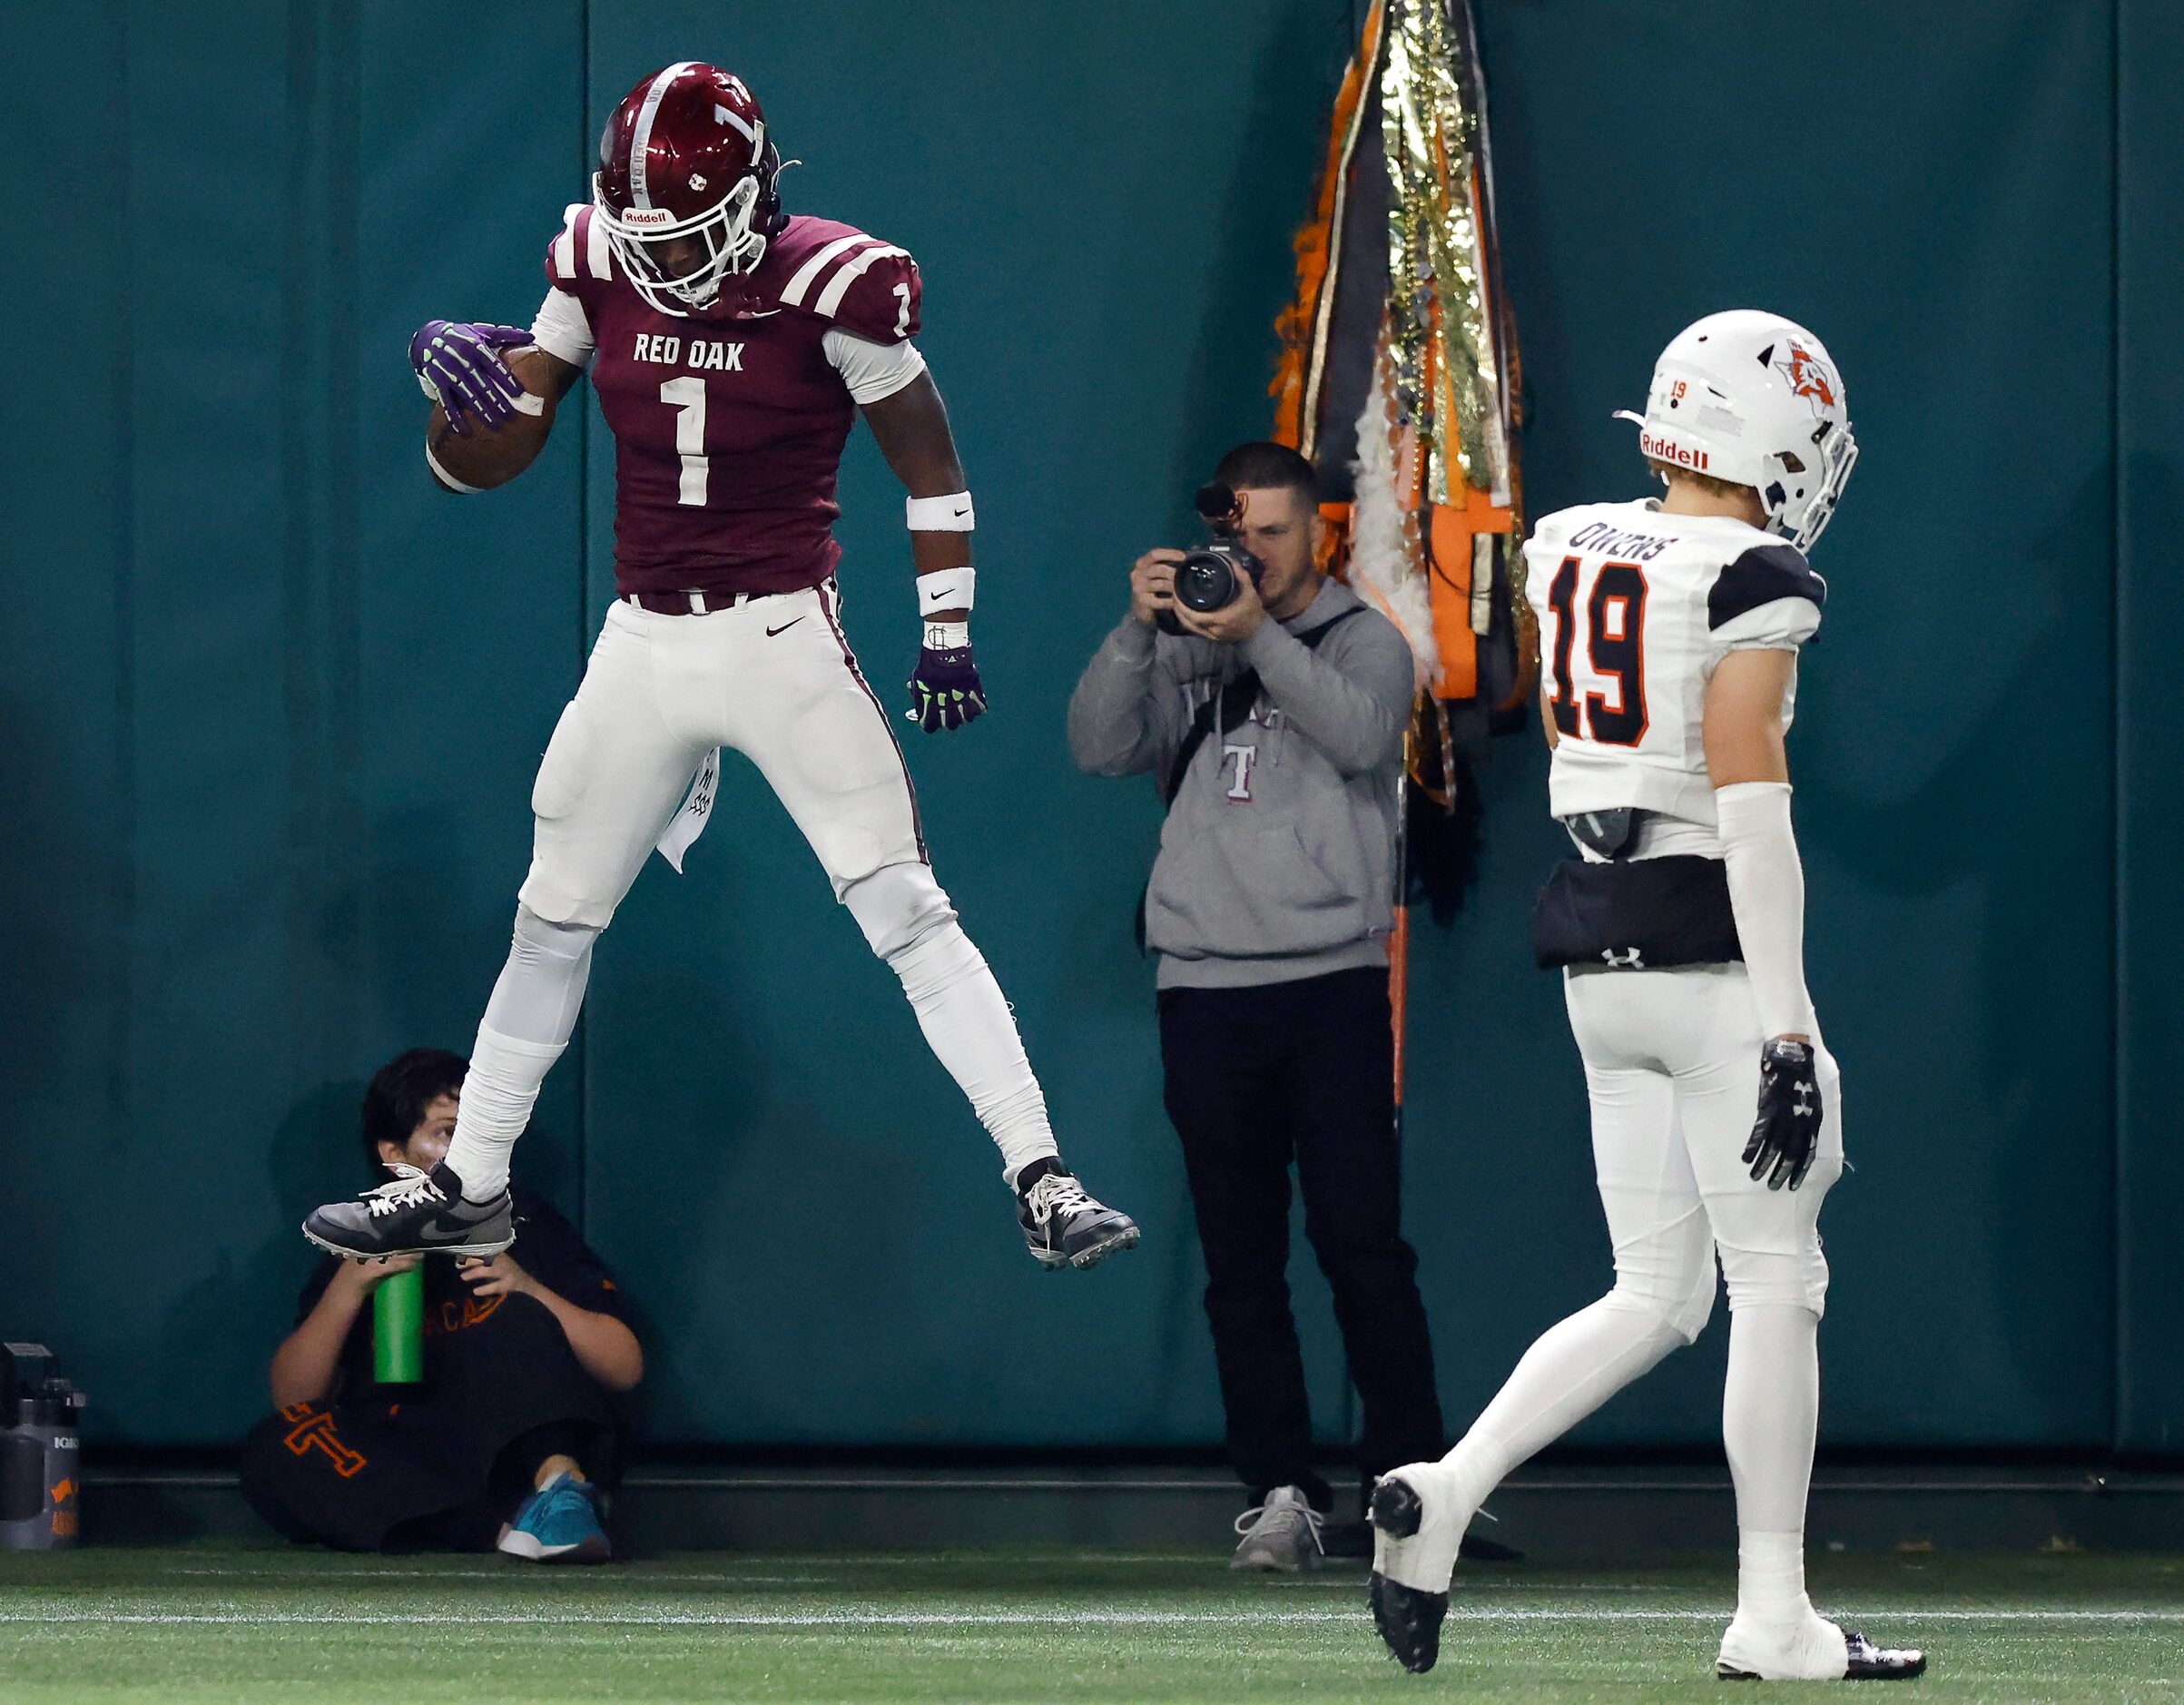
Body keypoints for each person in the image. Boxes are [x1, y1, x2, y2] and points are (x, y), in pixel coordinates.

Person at [301, 63, 1134, 1274]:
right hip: (643, 635)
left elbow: (931, 470)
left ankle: (1041, 1173)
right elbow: (486, 464)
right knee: (550, 917)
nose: (659, 260)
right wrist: (453, 410)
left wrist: (944, 626)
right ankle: (468, 1184)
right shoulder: (593, 256)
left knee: (904, 905)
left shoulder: (837, 279)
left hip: (778, 632)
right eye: (642, 233)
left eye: (684, 233)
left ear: (749, 197)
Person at [1365, 312, 1924, 1681]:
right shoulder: (1752, 571)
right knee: (1777, 1283)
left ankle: (1442, 1487)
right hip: (1707, 953)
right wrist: (1787, 1022)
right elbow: (1749, 806)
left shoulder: (1573, 539)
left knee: (1653, 1290)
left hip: (1596, 953)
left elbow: (1583, 738)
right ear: (1771, 438)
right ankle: (1772, 1613)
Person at [1068, 441, 1444, 1571]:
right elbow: (1097, 745)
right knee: (1241, 1258)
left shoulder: (1365, 636)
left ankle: (1416, 1487)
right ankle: (1280, 1491)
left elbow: (1366, 734)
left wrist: (1258, 638)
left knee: (1362, 1244)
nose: (1255, 556)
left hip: (1329, 981)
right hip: (1205, 986)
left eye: (1277, 534)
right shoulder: (1187, 642)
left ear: (1319, 532)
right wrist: (1141, 630)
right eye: (1243, 536)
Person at [245, 1050, 638, 1560]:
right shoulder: (358, 1240)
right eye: (448, 1133)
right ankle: (497, 1532)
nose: (469, 1149)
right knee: (274, 1450)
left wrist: (529, 1288)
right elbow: (295, 1404)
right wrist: (347, 1289)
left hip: (514, 1455)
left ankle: (559, 1495)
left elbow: (624, 1366)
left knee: (515, 1315)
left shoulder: (526, 1221)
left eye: (478, 1132)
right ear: (395, 1156)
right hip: (416, 1465)